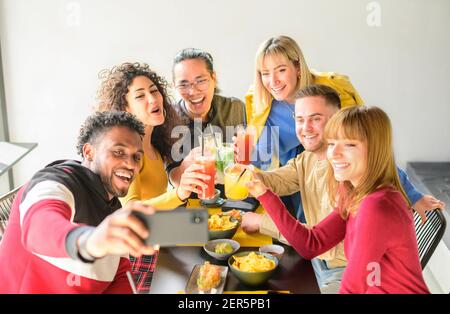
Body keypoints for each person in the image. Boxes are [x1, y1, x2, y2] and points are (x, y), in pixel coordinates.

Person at [242, 85, 445, 293]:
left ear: (374, 150)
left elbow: (352, 288)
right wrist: (264, 194)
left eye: (349, 145)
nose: (334, 154)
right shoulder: (354, 193)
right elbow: (311, 244)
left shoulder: (376, 205)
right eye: (332, 143)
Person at [0, 111, 157, 293]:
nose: (131, 164)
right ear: (89, 152)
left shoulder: (112, 208)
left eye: (137, 157)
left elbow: (120, 275)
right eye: (118, 152)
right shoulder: (56, 181)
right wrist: (90, 241)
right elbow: (38, 226)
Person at [97, 62, 209, 293]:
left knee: (217, 230)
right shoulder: (127, 151)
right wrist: (178, 194)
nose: (153, 98)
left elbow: (163, 188)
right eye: (140, 96)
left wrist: (183, 170)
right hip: (134, 250)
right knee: (208, 234)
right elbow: (133, 209)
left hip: (156, 233)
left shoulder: (155, 144)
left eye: (154, 90)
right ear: (125, 109)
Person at [245, 35, 363, 221]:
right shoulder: (264, 105)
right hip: (293, 176)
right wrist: (241, 164)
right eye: (265, 73)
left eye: (281, 70)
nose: (273, 81)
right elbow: (262, 158)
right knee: (298, 231)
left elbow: (367, 145)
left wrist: (410, 194)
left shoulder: (329, 94)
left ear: (298, 67)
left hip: (332, 174)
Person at [168, 48, 246, 186]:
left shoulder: (235, 108)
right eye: (183, 84)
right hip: (193, 201)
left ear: (213, 78)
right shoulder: (167, 120)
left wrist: (244, 154)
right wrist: (184, 167)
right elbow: (173, 179)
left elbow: (247, 162)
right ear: (175, 86)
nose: (193, 91)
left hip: (235, 196)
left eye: (201, 81)